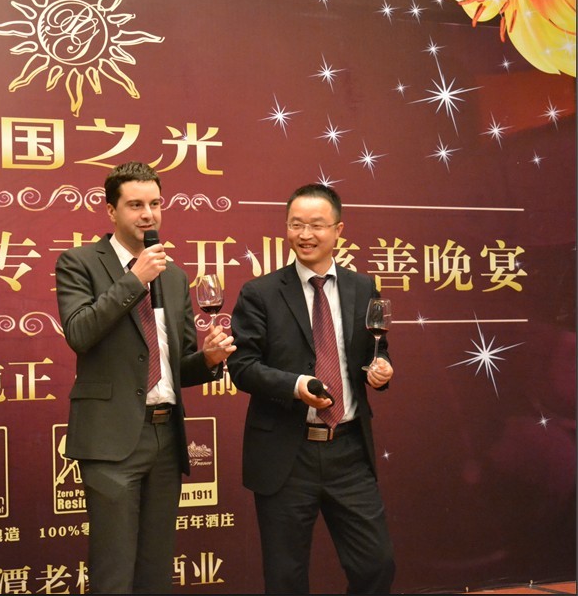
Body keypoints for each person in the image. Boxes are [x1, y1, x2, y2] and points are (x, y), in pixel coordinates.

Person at [55, 161, 236, 594]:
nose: (148, 214)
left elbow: (177, 367)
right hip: (112, 440)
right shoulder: (79, 262)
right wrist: (134, 279)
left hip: (165, 436)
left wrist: (209, 359)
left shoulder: (173, 276)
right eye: (135, 205)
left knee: (156, 572)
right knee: (114, 571)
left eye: (155, 204)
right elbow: (79, 333)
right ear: (111, 211)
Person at [227, 183, 396, 594]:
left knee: (376, 565)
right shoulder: (260, 293)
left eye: (316, 225)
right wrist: (295, 386)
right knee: (285, 578)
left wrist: (381, 369)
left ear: (338, 230)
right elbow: (242, 367)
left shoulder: (363, 287)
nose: (305, 235)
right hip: (287, 453)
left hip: (349, 451)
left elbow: (376, 350)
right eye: (296, 224)